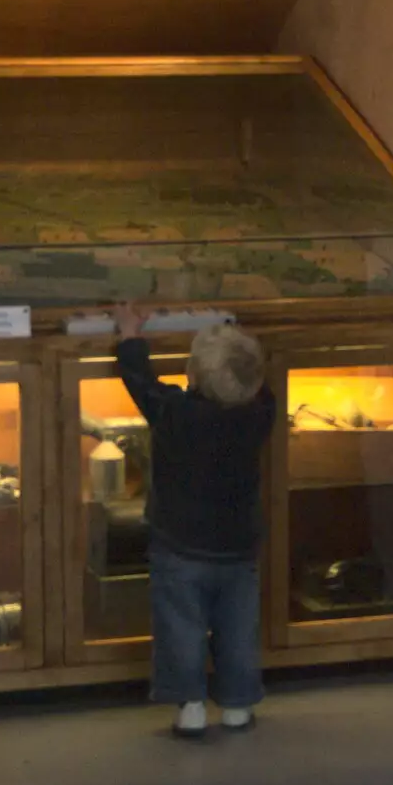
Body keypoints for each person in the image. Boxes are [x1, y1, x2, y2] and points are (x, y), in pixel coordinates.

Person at [112, 304, 276, 739]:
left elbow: (140, 382)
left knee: (181, 629)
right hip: (239, 548)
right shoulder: (259, 415)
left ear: (193, 377)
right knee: (238, 629)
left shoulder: (177, 414)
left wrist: (130, 335)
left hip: (179, 546)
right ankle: (238, 705)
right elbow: (261, 387)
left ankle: (190, 707)